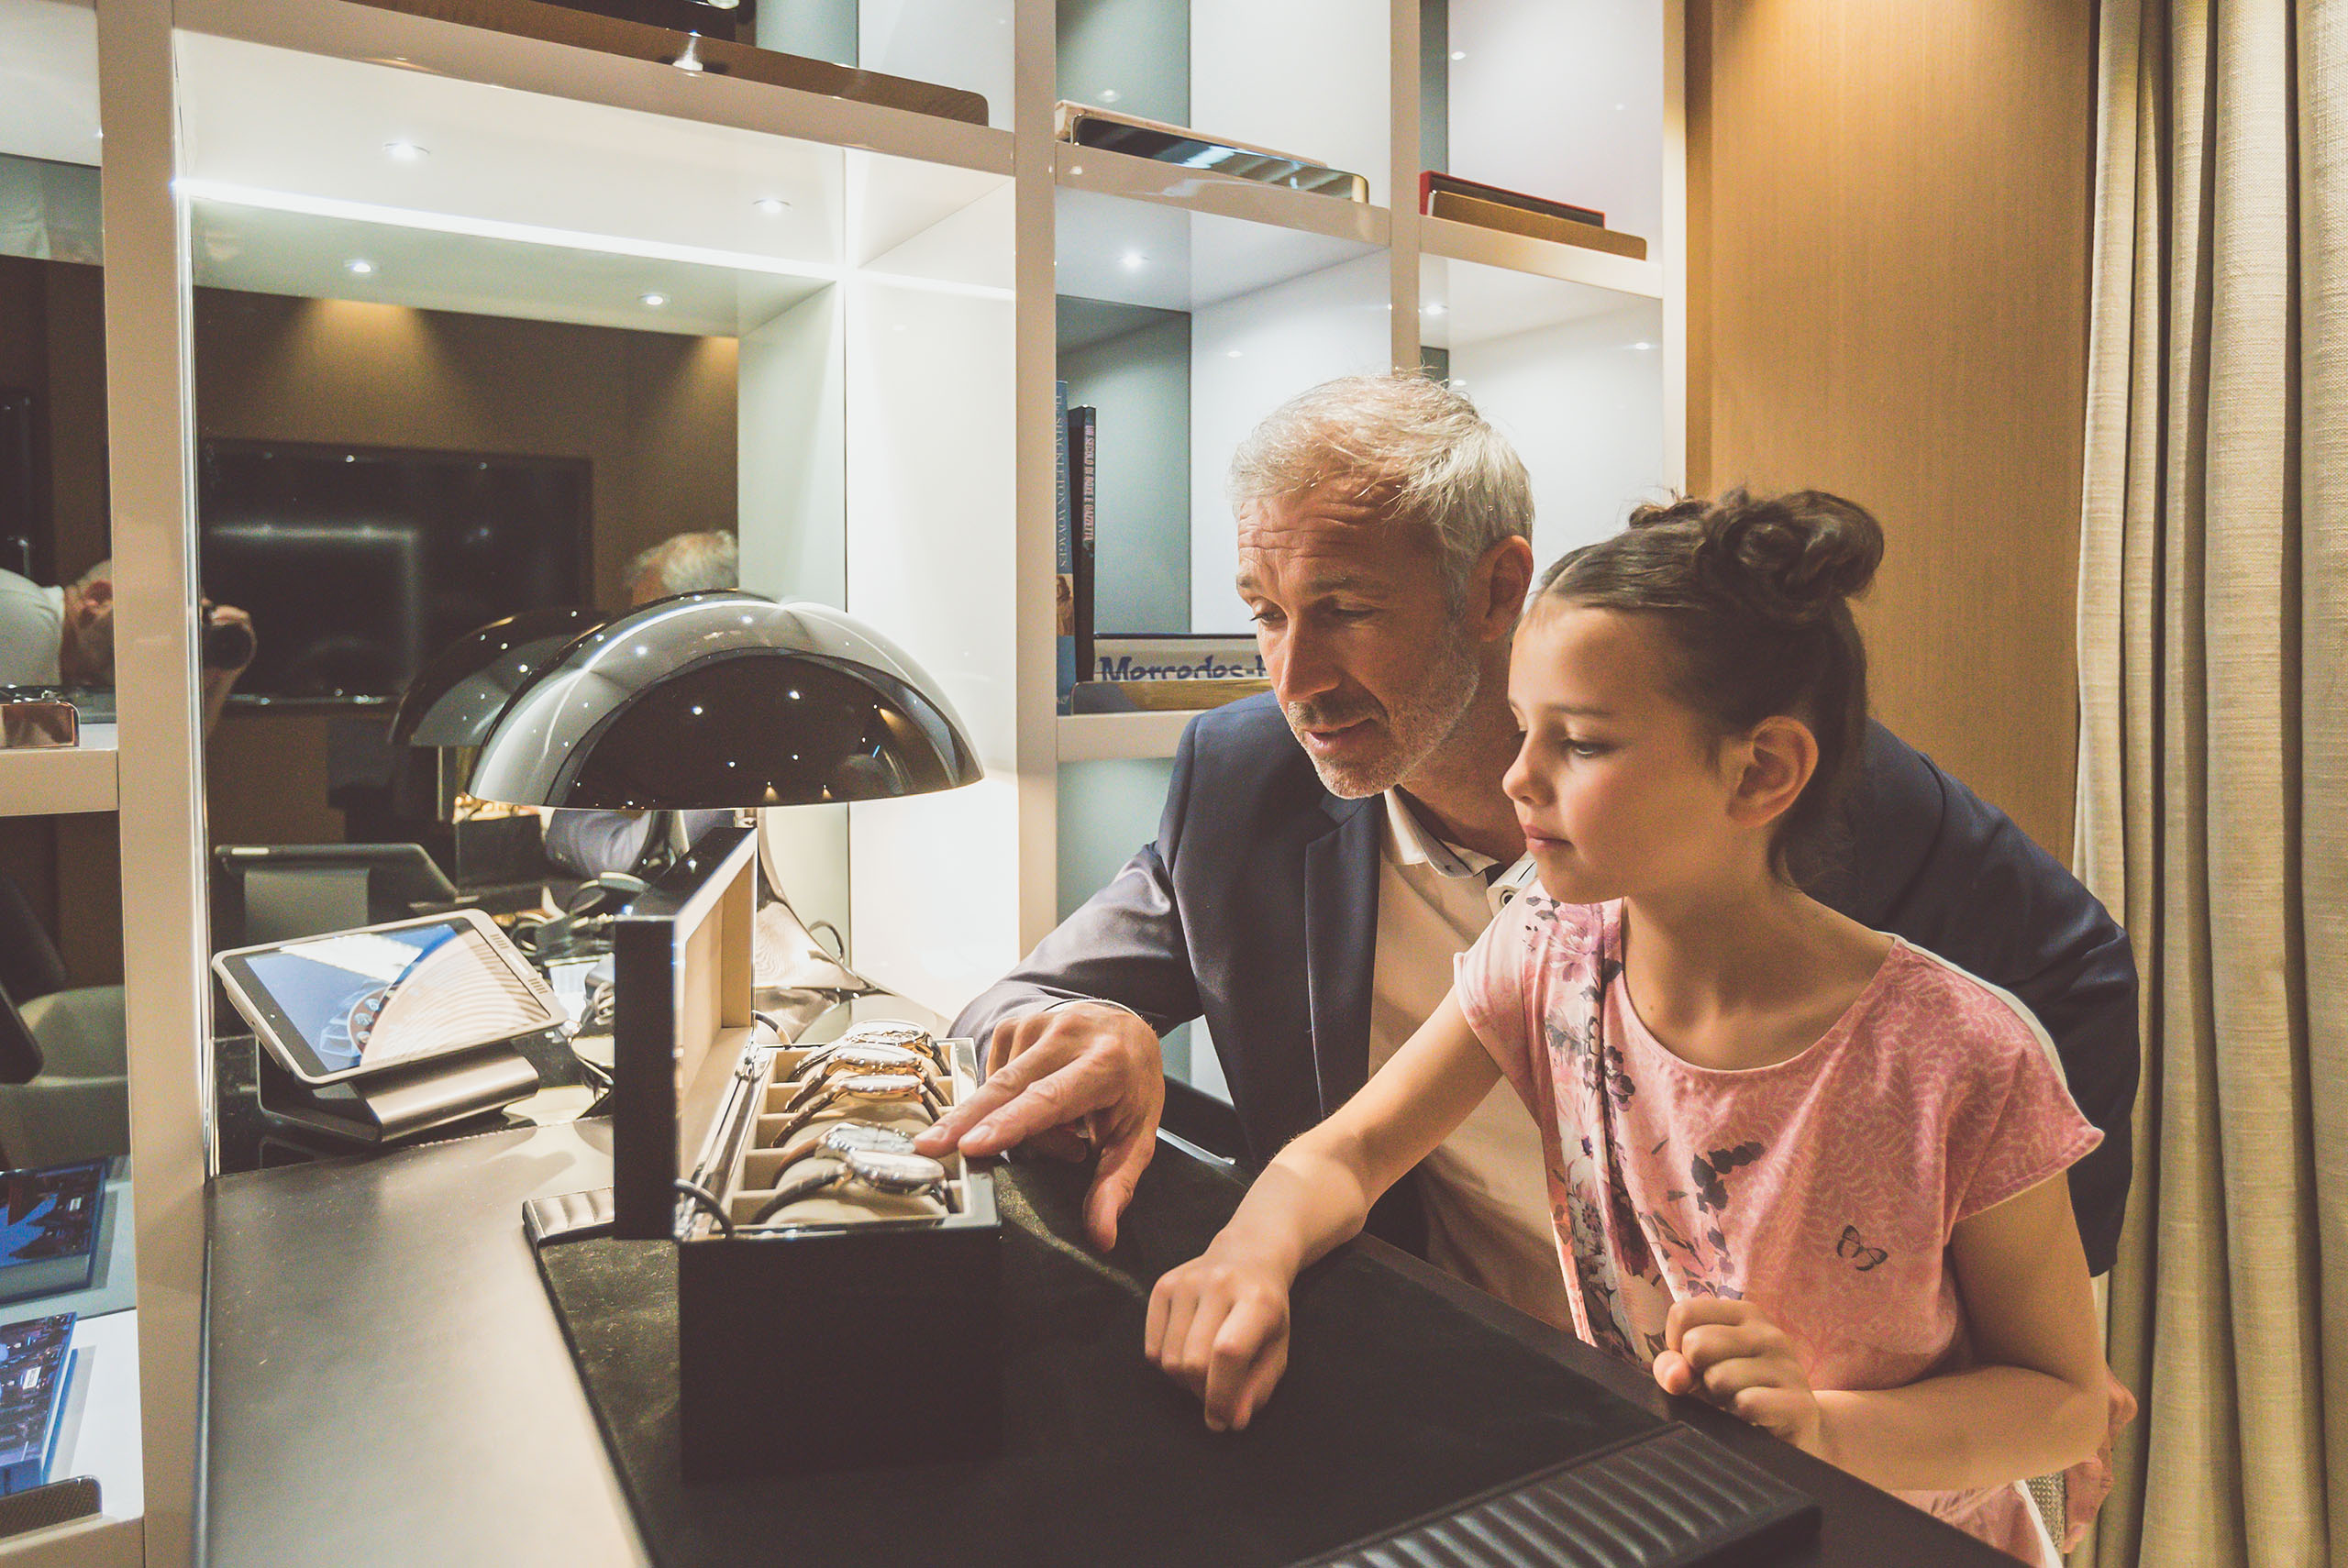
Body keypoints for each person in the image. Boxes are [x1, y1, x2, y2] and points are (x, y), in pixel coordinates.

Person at [919, 372, 2138, 1322]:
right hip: (1476, 1369)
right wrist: (1087, 1029)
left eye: (1345, 610)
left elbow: (2066, 973)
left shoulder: (1780, 786)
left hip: (1799, 1404)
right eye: (1266, 614)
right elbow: (1019, 1007)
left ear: (1496, 588)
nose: (1294, 679)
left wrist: (1959, 1320)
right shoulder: (1244, 784)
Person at [1146, 491, 2109, 1565]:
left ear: (1761, 770)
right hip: (1680, 1520)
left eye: (1582, 744)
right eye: (1524, 730)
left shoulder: (1960, 1058)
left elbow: (2064, 1403)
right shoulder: (1546, 951)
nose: (1518, 776)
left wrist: (1822, 1432)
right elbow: (1347, 1153)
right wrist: (1249, 1254)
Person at [542, 529, 739, 878]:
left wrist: (559, 828)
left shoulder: (723, 713)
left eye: (647, 620)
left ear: (700, 615)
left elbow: (632, 859)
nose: (635, 641)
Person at [0, 559, 253, 732]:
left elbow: (162, 774)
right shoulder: (31, 623)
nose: (156, 647)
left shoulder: (54, 672)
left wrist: (220, 680)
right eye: (158, 622)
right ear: (99, 598)